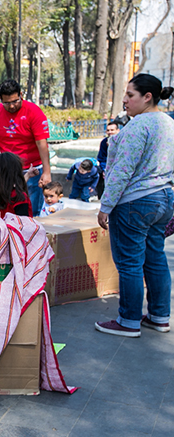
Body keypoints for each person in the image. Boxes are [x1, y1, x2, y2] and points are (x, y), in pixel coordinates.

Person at [95, 74, 174, 338]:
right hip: (163, 198)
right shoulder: (168, 123)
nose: (125, 100)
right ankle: (159, 316)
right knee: (155, 258)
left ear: (147, 97)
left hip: (135, 203)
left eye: (130, 95)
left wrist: (105, 205)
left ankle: (128, 320)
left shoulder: (138, 126)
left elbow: (122, 171)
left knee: (130, 262)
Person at [0, 79, 51, 216]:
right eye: (7, 103)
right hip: (7, 171)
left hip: (31, 168)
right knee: (8, 211)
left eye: (15, 101)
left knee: (29, 210)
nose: (11, 106)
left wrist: (46, 171)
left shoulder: (33, 111)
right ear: (0, 99)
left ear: (21, 95)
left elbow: (42, 143)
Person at [0, 152, 37, 218]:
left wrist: (28, 175)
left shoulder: (1, 192)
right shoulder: (19, 197)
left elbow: (13, 188)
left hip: (7, 226)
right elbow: (23, 223)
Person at [96, 120, 121, 197]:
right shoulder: (104, 142)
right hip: (107, 167)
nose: (110, 132)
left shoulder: (123, 141)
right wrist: (104, 169)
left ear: (118, 130)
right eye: (108, 130)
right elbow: (101, 158)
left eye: (112, 130)